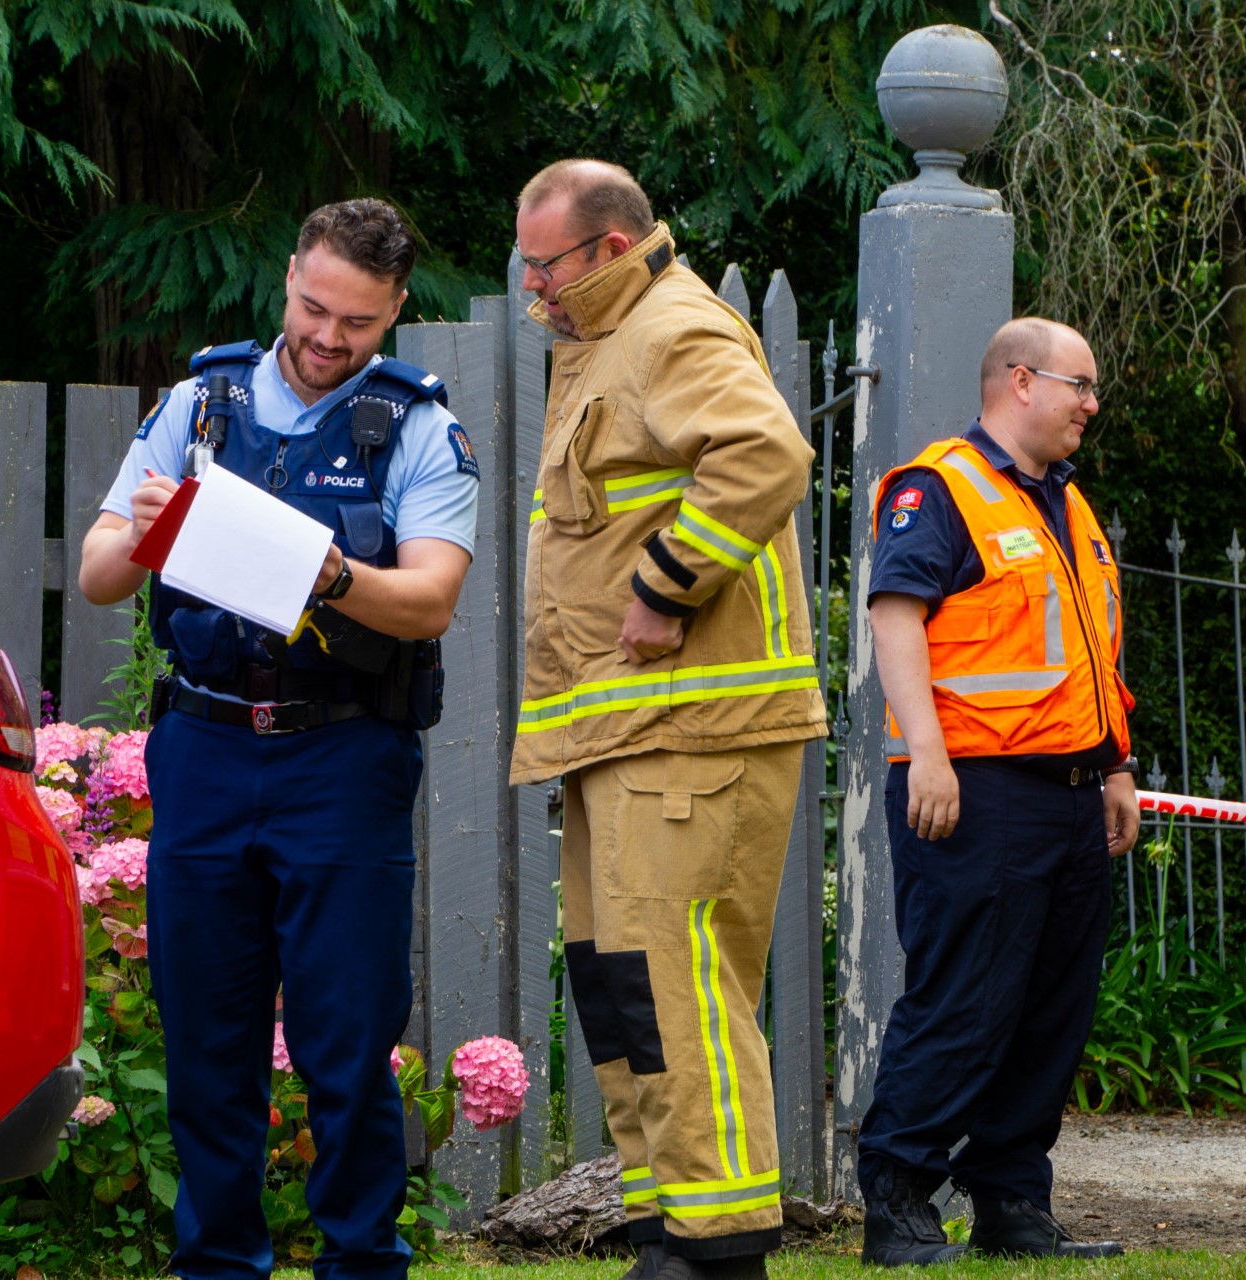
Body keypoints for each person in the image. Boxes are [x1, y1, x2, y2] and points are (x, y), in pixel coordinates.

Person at [78, 198, 478, 1279]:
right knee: (207, 1041)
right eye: (312, 306)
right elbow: (99, 569)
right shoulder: (200, 400)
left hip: (341, 756)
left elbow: (432, 597)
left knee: (347, 1043)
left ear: (394, 310)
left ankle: (360, 1260)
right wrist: (156, 528)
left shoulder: (414, 425)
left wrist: (328, 573)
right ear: (289, 276)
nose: (326, 336)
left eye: (356, 319)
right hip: (205, 746)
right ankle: (216, 1264)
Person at [507, 159, 827, 1280]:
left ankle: (719, 1245)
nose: (529, 283)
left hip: (696, 730)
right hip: (626, 732)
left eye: (543, 262)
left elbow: (766, 454)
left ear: (607, 247)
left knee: (678, 980)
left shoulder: (673, 326)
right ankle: (667, 1225)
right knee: (622, 979)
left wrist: (664, 583)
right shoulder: (604, 342)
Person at [856, 317, 1139, 1266]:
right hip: (973, 790)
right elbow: (896, 619)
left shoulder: (1068, 504)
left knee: (1051, 1007)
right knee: (965, 1000)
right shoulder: (940, 487)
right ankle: (896, 1200)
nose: (1091, 405)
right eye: (1080, 385)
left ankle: (1012, 1203)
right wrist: (924, 753)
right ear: (1020, 381)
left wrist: (1115, 768)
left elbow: (1094, 657)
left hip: (1068, 791)